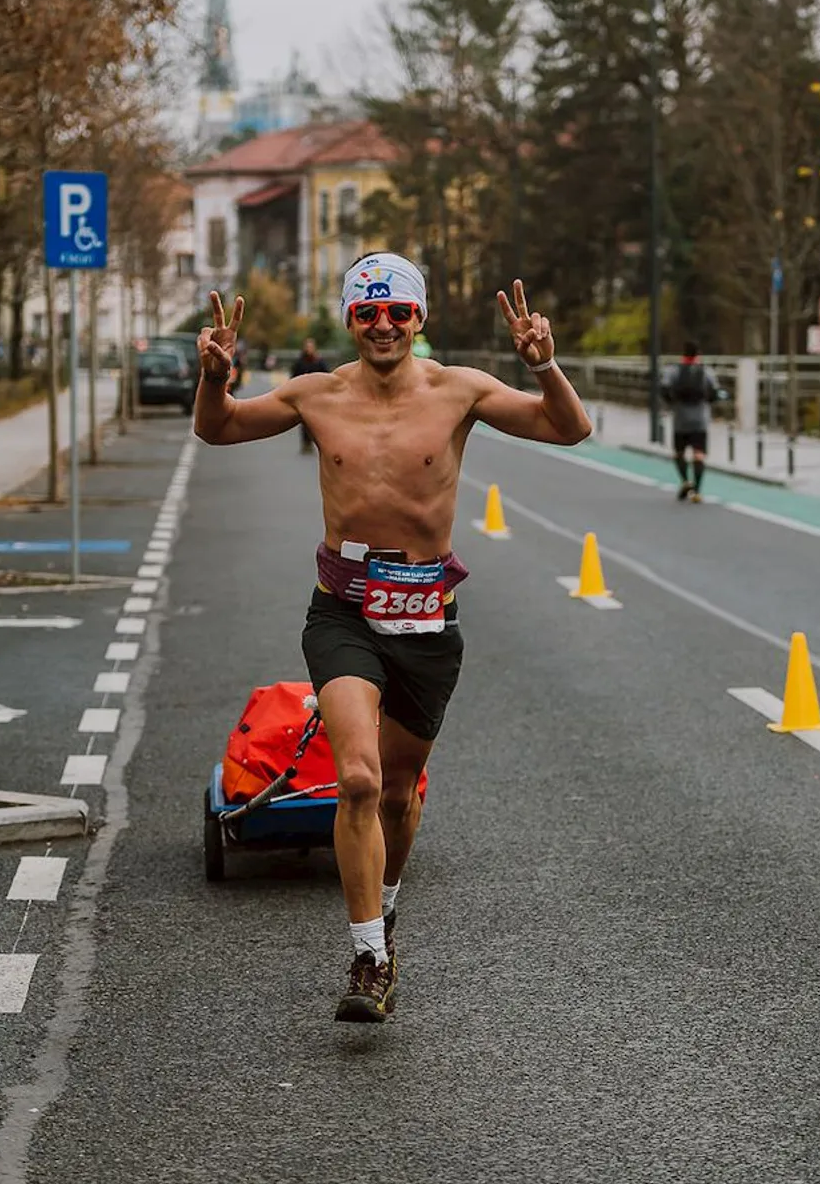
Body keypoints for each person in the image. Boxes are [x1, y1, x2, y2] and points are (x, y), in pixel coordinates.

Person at [193, 253, 592, 1023]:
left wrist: (547, 368)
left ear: (420, 320)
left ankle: (387, 906)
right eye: (368, 312)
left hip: (426, 618)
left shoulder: (461, 391)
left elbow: (569, 428)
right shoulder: (317, 393)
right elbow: (220, 429)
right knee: (360, 781)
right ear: (349, 319)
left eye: (398, 312)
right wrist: (214, 375)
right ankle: (370, 954)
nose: (383, 326)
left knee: (402, 796)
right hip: (341, 610)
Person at [663, 340, 724, 503]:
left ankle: (685, 481)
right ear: (698, 355)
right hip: (700, 418)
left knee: (679, 452)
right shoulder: (706, 372)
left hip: (680, 418)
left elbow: (664, 389)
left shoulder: (674, 371)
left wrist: (673, 403)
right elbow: (715, 393)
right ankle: (697, 489)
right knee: (699, 454)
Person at [290, 337, 329, 454]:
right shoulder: (299, 362)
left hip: (317, 396)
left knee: (315, 421)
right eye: (307, 346)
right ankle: (305, 443)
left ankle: (314, 441)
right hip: (303, 396)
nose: (309, 349)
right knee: (304, 421)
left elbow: (327, 376)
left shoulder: (319, 361)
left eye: (311, 346)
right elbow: (293, 377)